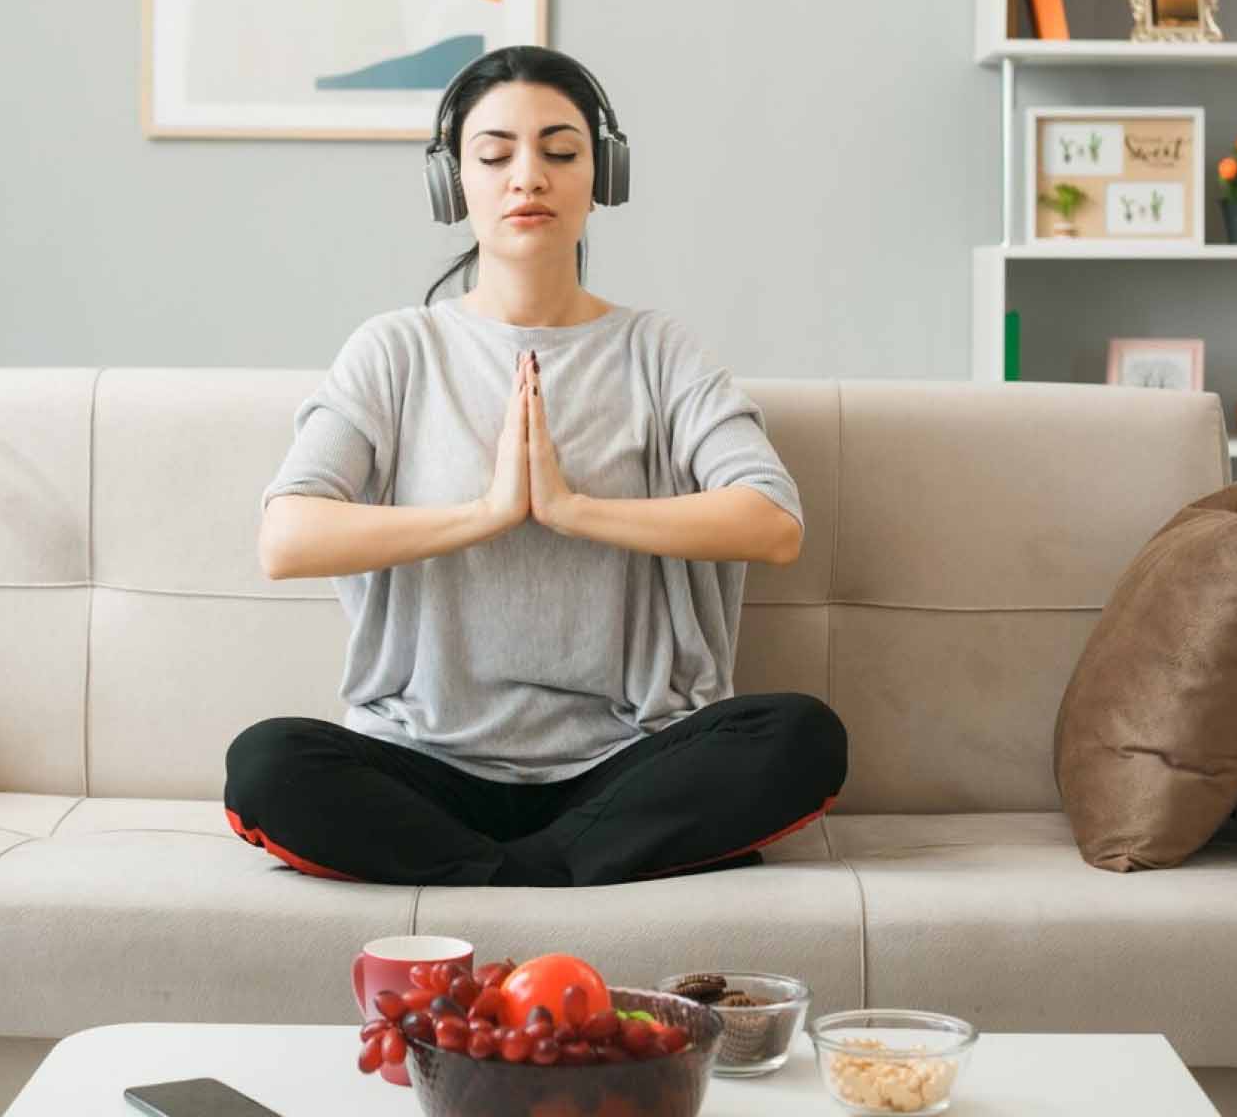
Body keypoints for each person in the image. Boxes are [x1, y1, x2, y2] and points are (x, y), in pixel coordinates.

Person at [225, 46, 846, 887]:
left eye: (560, 153)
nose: (529, 178)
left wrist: (569, 507)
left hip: (628, 764)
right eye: (494, 155)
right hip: (426, 763)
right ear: (453, 183)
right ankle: (559, 872)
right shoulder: (397, 351)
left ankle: (494, 875)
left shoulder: (657, 350)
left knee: (802, 736)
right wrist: (487, 512)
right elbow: (286, 536)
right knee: (267, 764)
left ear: (603, 176)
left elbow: (771, 521)